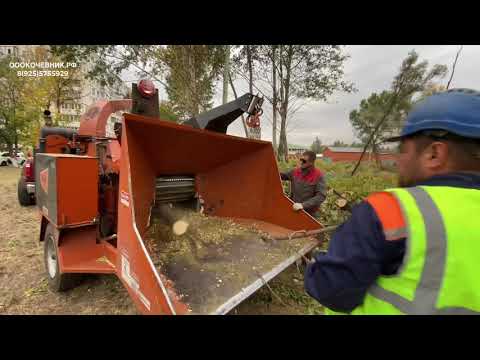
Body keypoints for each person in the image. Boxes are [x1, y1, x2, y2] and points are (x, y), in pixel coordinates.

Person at [304, 88, 480, 315]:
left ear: (434, 154)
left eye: (403, 150)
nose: (397, 160)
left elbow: (330, 288)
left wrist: (317, 264)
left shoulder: (391, 209)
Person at [280, 150, 326, 217]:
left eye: (304, 161)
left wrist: (303, 205)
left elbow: (321, 196)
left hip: (309, 214)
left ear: (311, 162)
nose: (301, 162)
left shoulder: (318, 175)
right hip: (294, 209)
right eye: (301, 159)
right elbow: (282, 176)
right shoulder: (295, 171)